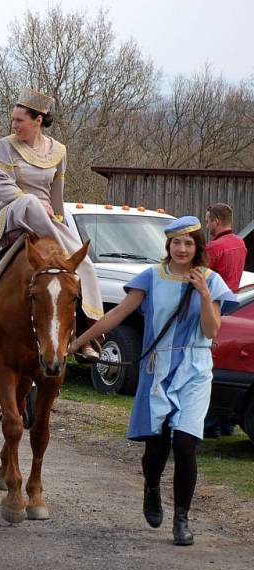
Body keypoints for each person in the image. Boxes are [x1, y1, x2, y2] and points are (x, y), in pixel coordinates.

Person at [69, 216, 238, 546]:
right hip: (157, 369)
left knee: (186, 445)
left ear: (198, 247)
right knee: (156, 447)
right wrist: (79, 341)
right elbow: (117, 315)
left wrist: (204, 294)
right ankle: (151, 488)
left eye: (189, 243)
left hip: (194, 370)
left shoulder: (211, 280)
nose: (182, 248)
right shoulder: (151, 277)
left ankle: (182, 520)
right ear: (168, 245)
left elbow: (212, 330)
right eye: (177, 242)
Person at [0, 87, 103, 358]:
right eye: (13, 120)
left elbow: (57, 194)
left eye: (20, 120)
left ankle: (88, 334)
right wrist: (33, 201)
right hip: (13, 211)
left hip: (47, 220)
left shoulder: (59, 151)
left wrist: (56, 216)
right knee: (31, 202)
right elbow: (2, 187)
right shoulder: (5, 146)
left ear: (38, 120)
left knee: (86, 264)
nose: (14, 125)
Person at [203, 203, 248, 437]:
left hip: (213, 307)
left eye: (209, 220)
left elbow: (199, 274)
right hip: (232, 303)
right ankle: (225, 423)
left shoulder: (215, 247)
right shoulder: (240, 244)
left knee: (209, 365)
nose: (208, 225)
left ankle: (210, 421)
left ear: (217, 221)